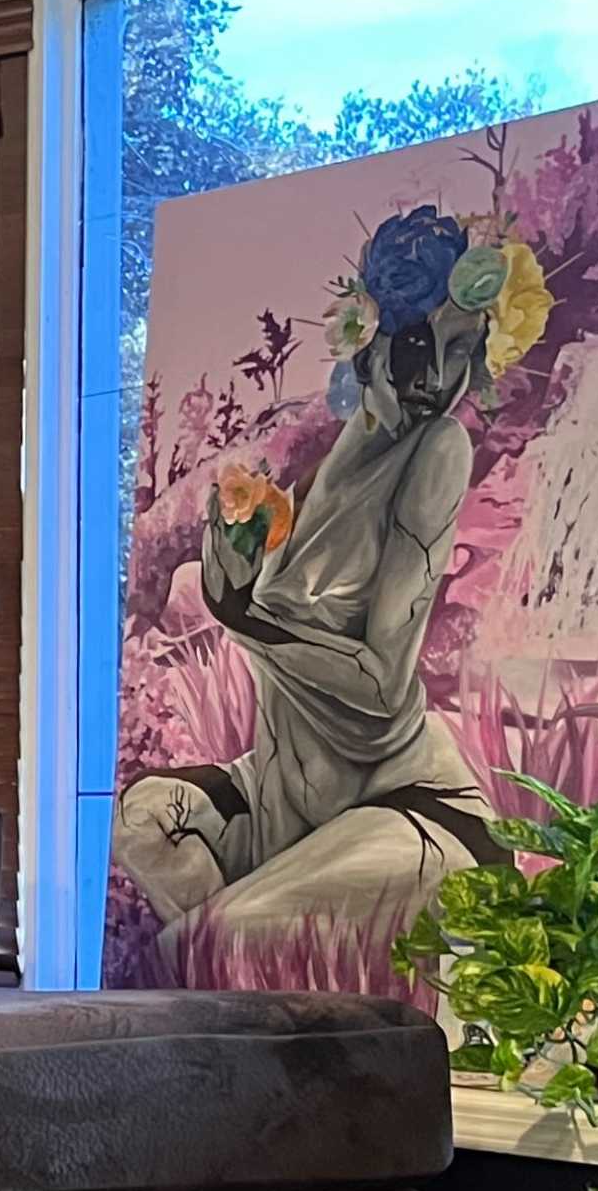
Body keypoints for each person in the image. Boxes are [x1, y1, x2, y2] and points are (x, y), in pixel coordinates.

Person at [115, 206, 500, 936]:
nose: (440, 377)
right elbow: (243, 608)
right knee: (140, 822)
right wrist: (229, 581)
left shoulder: (438, 449)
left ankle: (230, 972)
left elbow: (382, 689)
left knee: (221, 932)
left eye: (460, 350)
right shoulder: (326, 460)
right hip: (279, 793)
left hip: (400, 802)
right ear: (370, 341)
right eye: (418, 345)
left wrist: (249, 620)